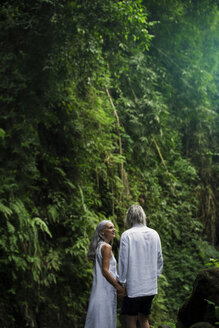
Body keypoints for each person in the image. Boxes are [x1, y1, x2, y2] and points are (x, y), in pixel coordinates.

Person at [118, 205, 163, 328]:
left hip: (133, 287)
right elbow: (159, 259)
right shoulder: (154, 234)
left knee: (131, 320)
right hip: (150, 287)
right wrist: (155, 277)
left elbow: (123, 261)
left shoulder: (127, 235)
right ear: (143, 216)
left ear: (129, 218)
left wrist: (122, 282)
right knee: (144, 319)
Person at [84, 220, 126, 328]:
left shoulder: (99, 246)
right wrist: (119, 288)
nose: (114, 229)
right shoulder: (106, 247)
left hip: (100, 290)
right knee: (105, 320)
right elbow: (105, 270)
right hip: (106, 290)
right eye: (110, 227)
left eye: (113, 227)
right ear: (102, 232)